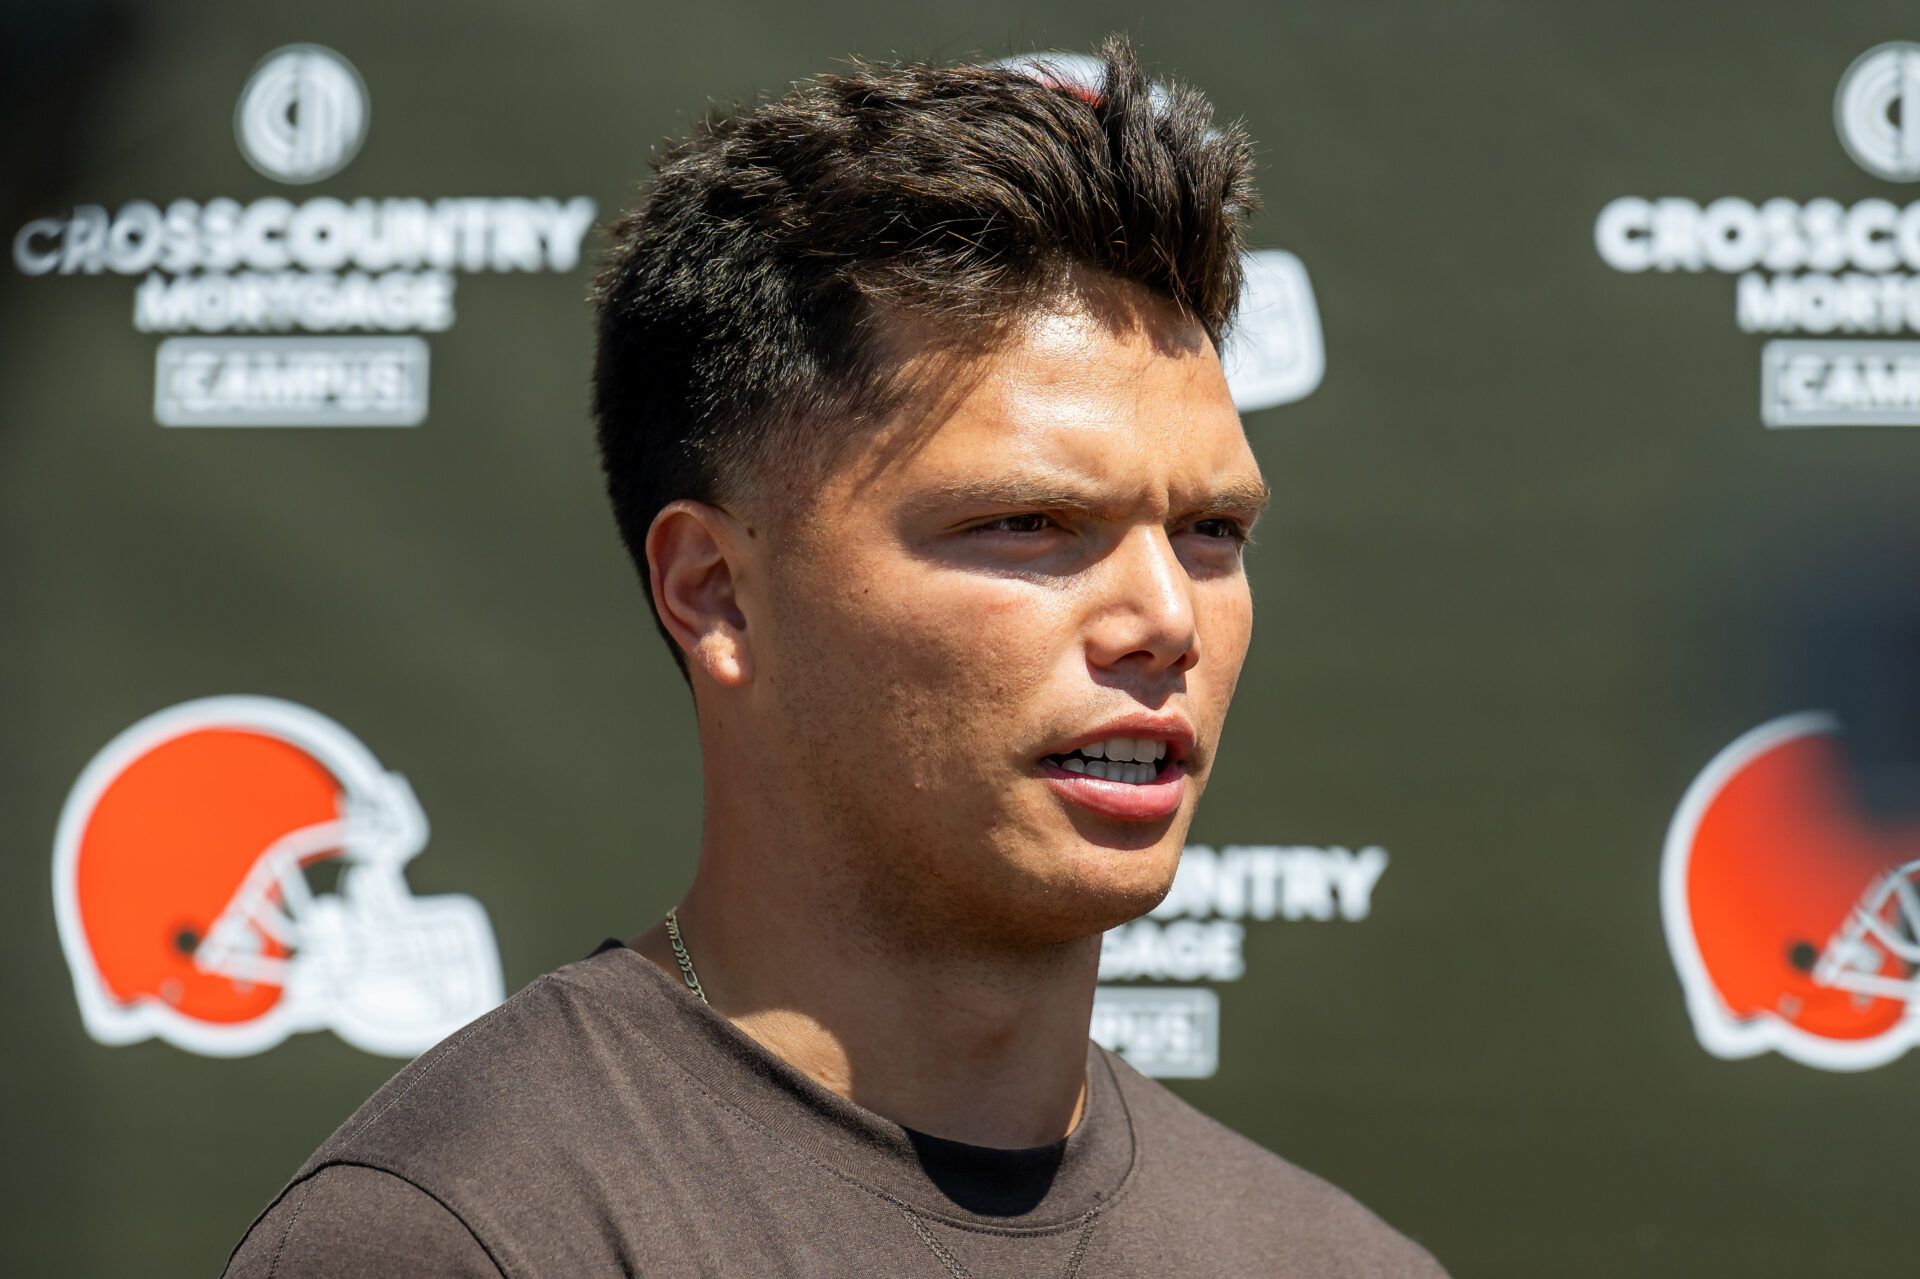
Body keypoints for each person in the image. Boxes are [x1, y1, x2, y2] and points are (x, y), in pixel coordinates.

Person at [225, 34, 1447, 1277]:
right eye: (1028, 522)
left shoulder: (1340, 1263)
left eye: (1212, 531)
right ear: (716, 592)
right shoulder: (458, 1238)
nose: (1167, 616)